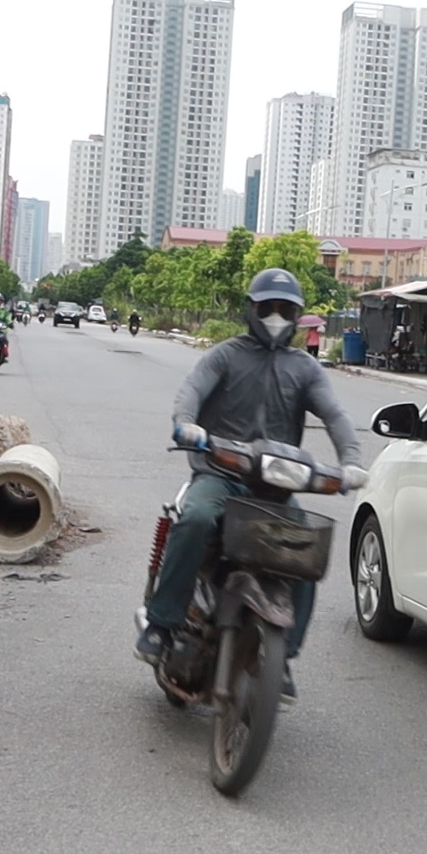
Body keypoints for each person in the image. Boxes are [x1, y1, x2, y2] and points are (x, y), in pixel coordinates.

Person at [136, 268, 368, 707]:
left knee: (305, 548)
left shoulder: (306, 368)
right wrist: (186, 426)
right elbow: (191, 391)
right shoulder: (225, 356)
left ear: (298, 316)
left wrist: (352, 462)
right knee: (197, 519)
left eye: (286, 309)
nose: (276, 316)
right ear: (251, 308)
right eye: (268, 307)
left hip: (275, 488)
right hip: (221, 474)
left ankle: (283, 657)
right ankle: (161, 624)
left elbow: (336, 416)